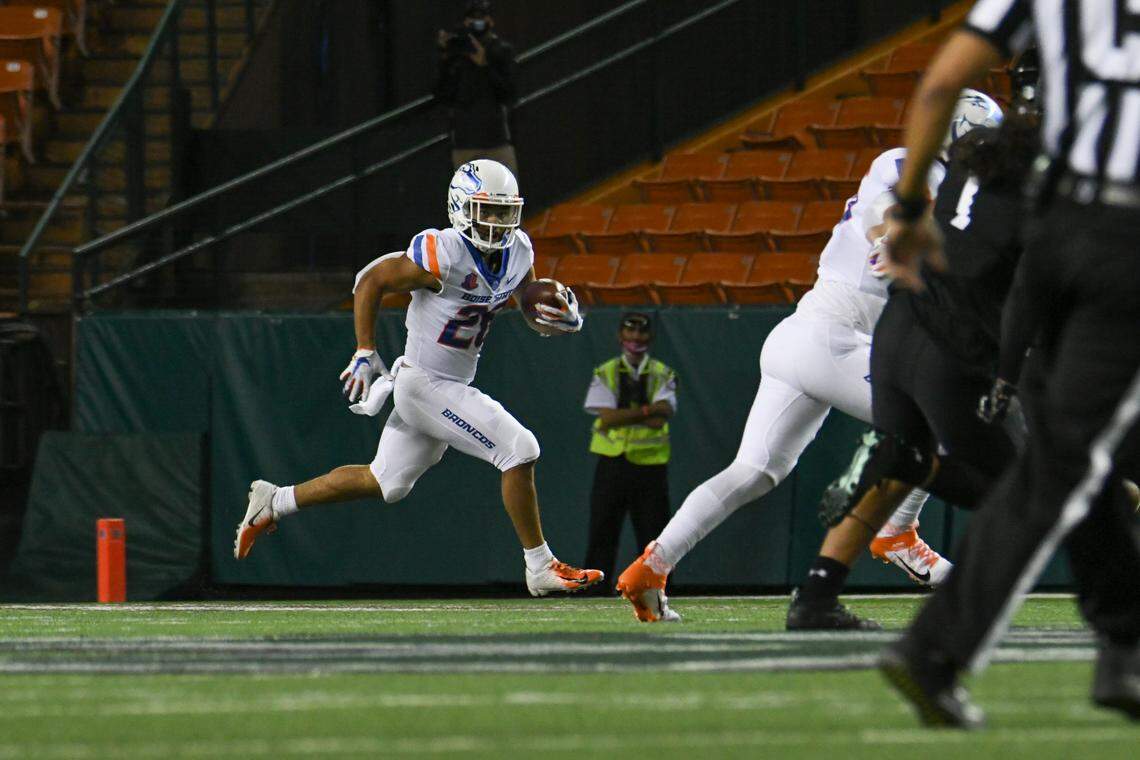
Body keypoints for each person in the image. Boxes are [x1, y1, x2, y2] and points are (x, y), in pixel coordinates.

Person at [613, 91, 1002, 626]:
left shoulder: (948, 186)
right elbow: (886, 220)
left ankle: (650, 568)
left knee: (754, 471)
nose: (985, 156)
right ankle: (897, 534)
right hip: (832, 335)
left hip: (806, 335)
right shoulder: (905, 165)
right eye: (979, 143)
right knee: (934, 421)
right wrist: (900, 241)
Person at [868, 0, 1140, 728]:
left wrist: (907, 203)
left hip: (1057, 228)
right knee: (1066, 462)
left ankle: (1124, 641)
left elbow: (939, 84)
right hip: (1124, 242)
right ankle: (942, 649)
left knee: (1073, 456)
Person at [233, 159, 603, 597]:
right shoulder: (442, 252)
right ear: (460, 207)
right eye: (489, 211)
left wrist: (558, 318)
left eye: (506, 212)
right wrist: (365, 349)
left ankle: (274, 500)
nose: (499, 224)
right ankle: (539, 566)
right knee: (519, 450)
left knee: (385, 483)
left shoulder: (518, 250)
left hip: (446, 387)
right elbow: (370, 280)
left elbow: (527, 304)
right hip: (424, 384)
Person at [807, 76, 1039, 628]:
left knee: (893, 471)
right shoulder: (1040, 191)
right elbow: (1033, 293)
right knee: (1016, 487)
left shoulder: (954, 179)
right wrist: (1011, 377)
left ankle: (815, 597)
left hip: (898, 328)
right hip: (954, 346)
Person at [581, 312, 677, 590]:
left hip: (651, 466)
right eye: (630, 333)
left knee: (654, 535)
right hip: (612, 463)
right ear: (620, 336)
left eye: (642, 333)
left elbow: (662, 417)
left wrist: (623, 414)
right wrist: (647, 410)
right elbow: (607, 418)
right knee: (602, 531)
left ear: (651, 337)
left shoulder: (663, 373)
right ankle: (594, 593)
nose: (636, 339)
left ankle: (658, 590)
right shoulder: (606, 372)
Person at [434, 0, 518, 176]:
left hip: (497, 142)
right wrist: (444, 56)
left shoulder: (501, 50)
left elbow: (509, 94)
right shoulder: (456, 55)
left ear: (491, 21)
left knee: (503, 199)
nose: (477, 22)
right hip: (465, 143)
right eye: (472, 18)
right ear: (465, 22)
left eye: (482, 17)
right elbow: (441, 94)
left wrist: (485, 65)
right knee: (468, 202)